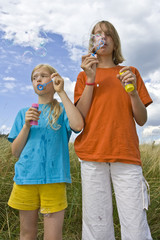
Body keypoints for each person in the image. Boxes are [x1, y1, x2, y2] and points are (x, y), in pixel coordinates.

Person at [74, 20, 153, 240]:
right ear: (92, 43)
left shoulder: (130, 72)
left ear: (115, 42)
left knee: (135, 223)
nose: (103, 38)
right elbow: (79, 119)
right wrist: (90, 78)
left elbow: (142, 119)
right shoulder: (83, 76)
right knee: (96, 225)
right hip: (92, 154)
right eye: (97, 34)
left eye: (108, 34)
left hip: (125, 153)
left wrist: (133, 93)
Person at [8, 64, 84, 240]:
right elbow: (15, 152)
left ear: (53, 79)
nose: (38, 79)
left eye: (43, 76)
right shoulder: (23, 114)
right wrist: (26, 125)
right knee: (27, 234)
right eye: (34, 77)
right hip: (26, 179)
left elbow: (78, 125)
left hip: (54, 179)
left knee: (53, 237)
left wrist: (62, 92)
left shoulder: (62, 110)